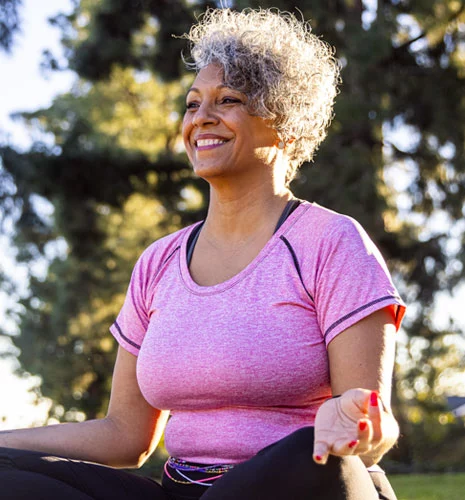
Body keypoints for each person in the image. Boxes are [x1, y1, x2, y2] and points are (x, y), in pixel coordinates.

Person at [0, 8, 406, 500]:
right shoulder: (159, 262)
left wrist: (356, 424)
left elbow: (367, 431)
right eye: (194, 104)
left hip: (295, 483)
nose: (201, 118)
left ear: (285, 124)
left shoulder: (331, 242)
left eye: (228, 100)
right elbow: (127, 435)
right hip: (182, 490)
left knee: (312, 459)